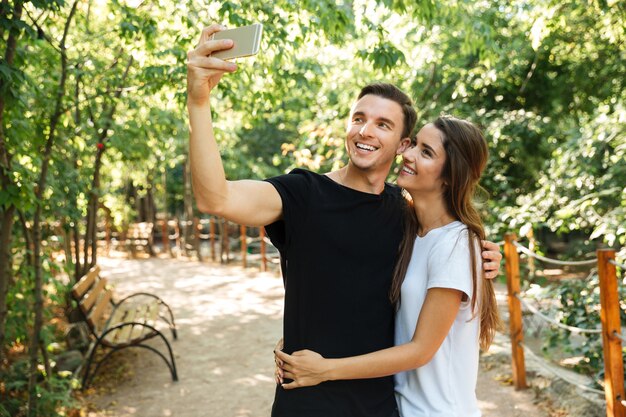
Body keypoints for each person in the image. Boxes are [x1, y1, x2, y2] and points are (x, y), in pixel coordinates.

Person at [186, 24, 502, 417]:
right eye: (358, 118)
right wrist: (198, 103)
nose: (366, 131)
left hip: (383, 407)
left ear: (403, 145)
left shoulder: (405, 215)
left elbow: (446, 247)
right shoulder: (303, 193)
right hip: (307, 402)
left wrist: (483, 254)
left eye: (383, 124)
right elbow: (215, 197)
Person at [275, 116, 500, 417]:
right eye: (415, 144)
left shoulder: (455, 244)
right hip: (397, 408)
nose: (408, 154)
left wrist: (325, 370)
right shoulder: (408, 230)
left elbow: (421, 350)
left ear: (450, 175)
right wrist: (304, 333)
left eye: (426, 152)